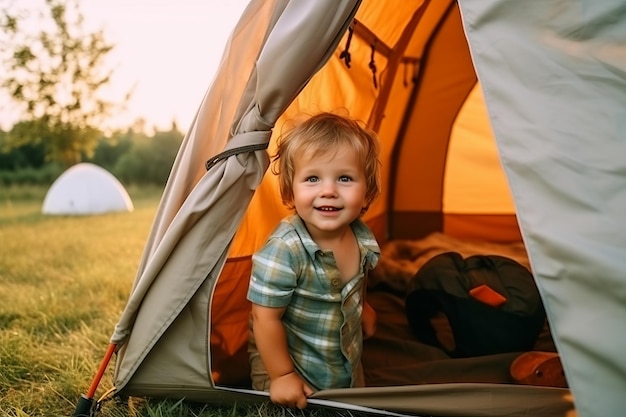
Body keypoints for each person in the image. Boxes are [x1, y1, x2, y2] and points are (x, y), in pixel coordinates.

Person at [247, 112, 382, 409]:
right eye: (312, 178)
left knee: (353, 403)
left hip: (342, 359)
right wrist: (281, 375)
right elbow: (264, 317)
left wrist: (362, 307)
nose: (329, 191)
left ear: (367, 192)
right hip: (288, 366)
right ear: (291, 191)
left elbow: (356, 283)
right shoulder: (285, 250)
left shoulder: (361, 237)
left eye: (345, 178)